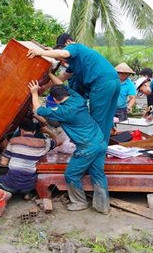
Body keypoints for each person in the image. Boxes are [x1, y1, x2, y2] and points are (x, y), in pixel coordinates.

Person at [28, 74, 110, 214]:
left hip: (87, 148)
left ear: (54, 99)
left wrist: (34, 92)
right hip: (100, 142)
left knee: (71, 175)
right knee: (98, 174)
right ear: (66, 93)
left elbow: (38, 110)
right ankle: (103, 207)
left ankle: (79, 202)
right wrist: (49, 73)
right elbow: (61, 84)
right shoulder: (77, 99)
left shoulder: (63, 111)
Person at [27, 33, 121, 144]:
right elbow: (62, 78)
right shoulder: (75, 61)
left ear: (66, 43)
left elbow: (63, 52)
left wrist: (41, 52)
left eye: (60, 60)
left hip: (100, 84)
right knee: (107, 117)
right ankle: (103, 147)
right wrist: (44, 87)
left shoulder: (73, 47)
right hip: (114, 81)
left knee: (97, 119)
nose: (62, 62)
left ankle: (96, 148)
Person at [0, 118, 62, 196]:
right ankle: (24, 194)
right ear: (34, 132)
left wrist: (6, 150)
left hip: (11, 184)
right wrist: (48, 131)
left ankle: (7, 193)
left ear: (21, 131)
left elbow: (3, 163)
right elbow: (60, 141)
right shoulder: (44, 143)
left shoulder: (13, 141)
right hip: (30, 186)